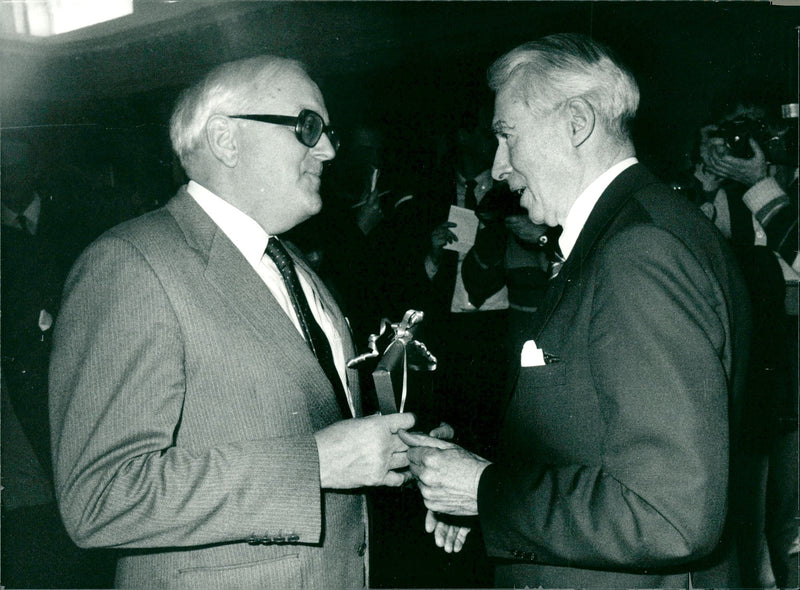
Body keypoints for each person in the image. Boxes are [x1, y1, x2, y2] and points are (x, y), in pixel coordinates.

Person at [48, 55, 416, 589]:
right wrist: (312, 464)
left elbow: (318, 424)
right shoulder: (131, 263)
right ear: (225, 139)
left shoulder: (292, 263)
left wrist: (400, 457)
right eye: (308, 126)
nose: (330, 149)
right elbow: (99, 498)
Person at [400, 33, 751, 589]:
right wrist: (481, 489)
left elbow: (670, 515)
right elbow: (594, 434)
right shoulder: (643, 227)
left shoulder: (638, 252)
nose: (497, 168)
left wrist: (488, 491)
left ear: (577, 122)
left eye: (506, 136)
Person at [694, 96, 799, 589]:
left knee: (791, 511)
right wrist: (706, 185)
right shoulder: (734, 194)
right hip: (757, 362)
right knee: (752, 506)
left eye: (758, 132)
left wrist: (760, 182)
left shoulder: (774, 188)